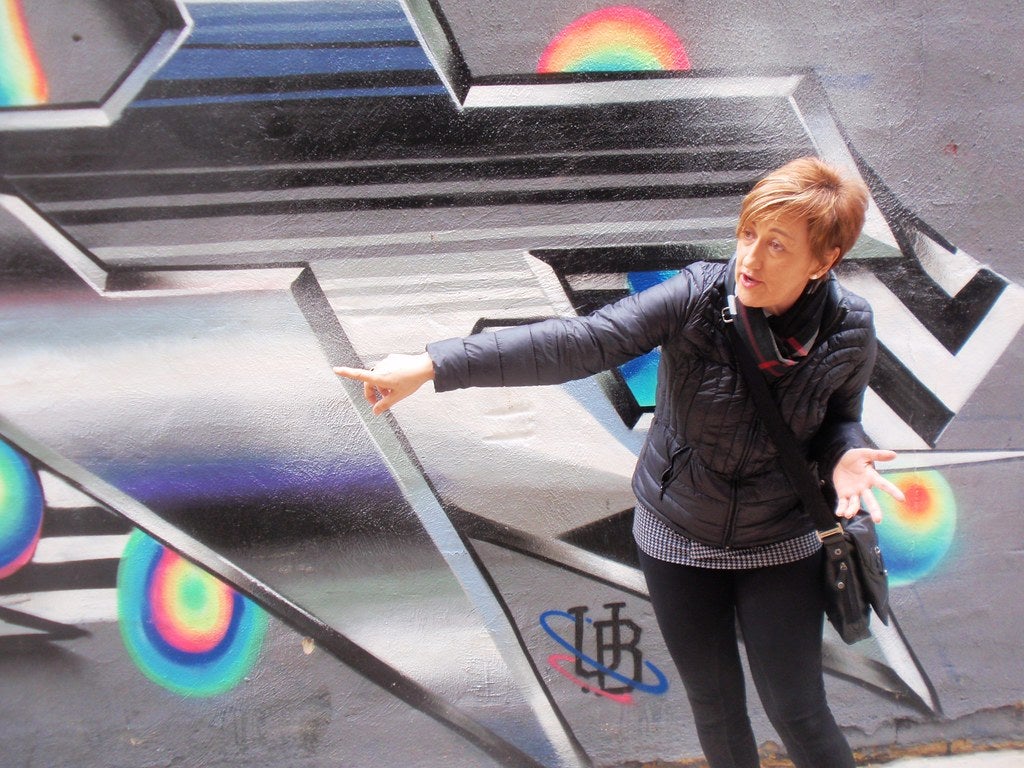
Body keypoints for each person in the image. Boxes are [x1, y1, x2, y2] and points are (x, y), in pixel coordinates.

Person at [334, 156, 905, 768]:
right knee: (716, 707)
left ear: (822, 261)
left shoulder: (849, 326)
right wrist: (433, 364)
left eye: (777, 245)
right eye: (747, 234)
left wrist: (845, 455)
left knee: (800, 711)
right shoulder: (697, 296)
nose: (750, 258)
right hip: (678, 537)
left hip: (780, 541)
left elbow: (840, 419)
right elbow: (580, 343)